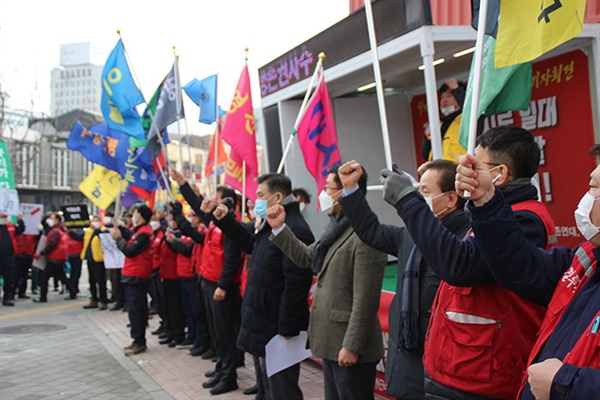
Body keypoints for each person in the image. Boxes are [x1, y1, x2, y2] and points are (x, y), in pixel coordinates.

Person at [378, 126, 558, 399]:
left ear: (499, 174)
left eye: (474, 163)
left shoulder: (524, 220)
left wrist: (409, 202)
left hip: (483, 372)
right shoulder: (492, 215)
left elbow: (461, 265)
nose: (463, 169)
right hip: (465, 363)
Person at [455, 145, 600, 399]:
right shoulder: (586, 259)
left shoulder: (532, 218)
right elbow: (521, 267)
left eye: (594, 188)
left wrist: (566, 384)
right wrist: (485, 199)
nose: (586, 197)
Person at [337, 159, 470, 399]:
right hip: (406, 367)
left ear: (451, 199)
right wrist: (351, 190)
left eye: (424, 192)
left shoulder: (465, 244)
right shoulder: (410, 235)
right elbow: (371, 231)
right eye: (416, 191)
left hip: (444, 374)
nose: (417, 198)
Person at [264, 163, 387, 400]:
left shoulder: (366, 234)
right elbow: (307, 256)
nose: (323, 194)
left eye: (328, 189)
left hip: (350, 347)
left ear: (346, 191)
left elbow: (366, 299)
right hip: (331, 343)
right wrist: (280, 229)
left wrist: (351, 345)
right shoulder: (336, 228)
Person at [212, 173, 314, 400]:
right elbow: (252, 245)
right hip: (264, 321)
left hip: (278, 328)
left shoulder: (292, 228)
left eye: (260, 195)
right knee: (267, 389)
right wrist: (226, 220)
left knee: (281, 390)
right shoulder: (272, 223)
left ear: (277, 197)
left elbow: (296, 284)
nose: (255, 201)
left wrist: (287, 327)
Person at [110, 205, 154, 356]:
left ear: (140, 215)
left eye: (135, 213)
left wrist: (118, 240)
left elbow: (130, 250)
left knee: (136, 309)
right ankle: (137, 339)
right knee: (135, 308)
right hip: (133, 274)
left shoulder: (144, 233)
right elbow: (131, 237)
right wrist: (121, 228)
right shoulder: (140, 231)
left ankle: (139, 341)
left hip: (137, 274)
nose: (133, 215)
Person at [420, 79, 467, 162]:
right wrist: (427, 138)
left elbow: (469, 109)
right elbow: (426, 154)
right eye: (442, 97)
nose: (444, 100)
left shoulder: (467, 118)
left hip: (461, 170)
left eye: (449, 96)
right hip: (439, 170)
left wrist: (456, 89)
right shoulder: (439, 123)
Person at [33, 212, 75, 303]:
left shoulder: (55, 231)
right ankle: (73, 292)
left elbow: (52, 244)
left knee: (44, 276)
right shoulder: (61, 230)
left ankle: (43, 297)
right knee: (62, 276)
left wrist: (41, 253)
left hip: (54, 258)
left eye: (52, 218)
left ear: (56, 220)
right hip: (60, 257)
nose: (50, 220)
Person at [77, 216, 108, 310]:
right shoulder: (88, 231)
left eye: (97, 221)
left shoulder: (104, 231)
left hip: (99, 259)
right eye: (93, 221)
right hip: (90, 259)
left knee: (101, 281)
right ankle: (94, 299)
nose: (95, 223)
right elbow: (78, 237)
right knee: (92, 281)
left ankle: (103, 300)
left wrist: (98, 231)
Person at [0, 212, 24, 305]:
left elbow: (20, 230)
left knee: (9, 278)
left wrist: (20, 220)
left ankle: (7, 297)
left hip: (9, 256)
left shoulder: (10, 226)